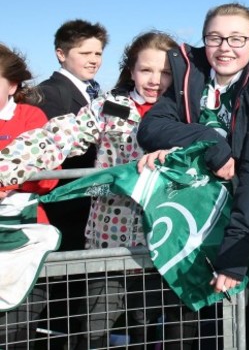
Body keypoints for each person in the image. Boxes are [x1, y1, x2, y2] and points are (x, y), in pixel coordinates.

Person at [0, 31, 188, 348]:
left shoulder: (187, 112)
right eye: (146, 70)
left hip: (165, 244)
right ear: (131, 71)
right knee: (93, 332)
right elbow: (55, 137)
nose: (155, 80)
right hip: (109, 242)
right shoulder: (109, 108)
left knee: (154, 331)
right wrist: (6, 166)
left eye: (165, 72)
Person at [137, 3, 249, 346]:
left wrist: (235, 254)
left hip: (240, 224)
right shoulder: (188, 77)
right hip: (189, 225)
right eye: (215, 37)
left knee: (238, 324)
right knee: (185, 325)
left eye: (237, 38)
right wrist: (207, 140)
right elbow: (151, 127)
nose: (225, 47)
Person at [0, 43, 57, 350]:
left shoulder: (30, 117)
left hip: (23, 235)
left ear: (12, 84)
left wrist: (8, 181)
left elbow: (48, 176)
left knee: (16, 329)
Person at [37, 19, 109, 251]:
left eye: (98, 53)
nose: (94, 60)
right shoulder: (49, 93)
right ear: (61, 53)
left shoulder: (97, 92)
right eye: (85, 52)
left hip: (93, 199)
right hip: (67, 203)